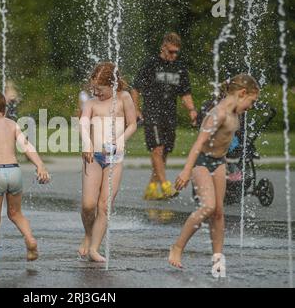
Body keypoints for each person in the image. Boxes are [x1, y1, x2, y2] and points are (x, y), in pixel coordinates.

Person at [168, 74, 260, 277]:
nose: (251, 106)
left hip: (219, 164)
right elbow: (198, 144)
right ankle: (177, 247)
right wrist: (185, 170)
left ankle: (218, 258)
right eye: (251, 101)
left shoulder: (236, 113)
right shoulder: (217, 114)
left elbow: (225, 142)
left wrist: (227, 166)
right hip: (201, 162)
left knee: (218, 212)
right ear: (242, 93)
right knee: (208, 207)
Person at [0, 89, 50, 270]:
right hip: (14, 171)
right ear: (3, 108)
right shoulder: (12, 124)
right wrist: (40, 165)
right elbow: (26, 146)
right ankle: (30, 239)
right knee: (15, 213)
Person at [78, 62, 137, 262]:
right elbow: (84, 124)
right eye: (93, 88)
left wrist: (121, 140)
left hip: (115, 159)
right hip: (93, 157)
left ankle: (94, 248)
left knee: (104, 206)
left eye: (100, 89)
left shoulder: (124, 98)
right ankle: (88, 234)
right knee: (88, 205)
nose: (96, 92)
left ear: (113, 84)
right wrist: (86, 142)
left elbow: (133, 124)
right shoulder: (91, 103)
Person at [131, 32, 198, 200]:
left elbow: (185, 93)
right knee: (157, 149)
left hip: (170, 114)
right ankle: (165, 185)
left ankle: (152, 187)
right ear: (163, 47)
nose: (173, 55)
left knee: (165, 151)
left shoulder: (180, 67)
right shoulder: (151, 64)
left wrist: (192, 110)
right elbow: (135, 88)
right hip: (152, 112)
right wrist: (135, 109)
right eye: (171, 52)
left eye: (176, 52)